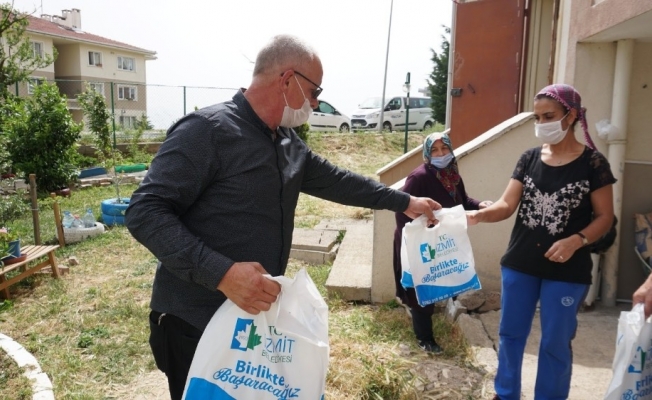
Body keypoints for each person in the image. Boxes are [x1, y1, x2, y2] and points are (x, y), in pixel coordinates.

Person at [125, 34, 441, 400]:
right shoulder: (207, 130)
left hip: (250, 323)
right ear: (288, 79)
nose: (316, 102)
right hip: (193, 322)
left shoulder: (288, 144)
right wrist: (222, 274)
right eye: (314, 91)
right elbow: (145, 211)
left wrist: (404, 201)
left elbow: (339, 181)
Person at [466, 83, 615, 400]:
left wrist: (577, 240)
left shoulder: (594, 163)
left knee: (555, 342)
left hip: (568, 269)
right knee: (510, 334)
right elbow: (506, 205)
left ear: (570, 116)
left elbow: (605, 217)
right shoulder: (529, 158)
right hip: (520, 263)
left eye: (549, 116)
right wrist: (478, 215)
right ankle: (505, 394)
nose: (541, 123)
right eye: (537, 117)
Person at [393, 131, 492, 353]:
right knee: (422, 287)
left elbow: (462, 201)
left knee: (439, 279)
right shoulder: (419, 177)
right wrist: (423, 229)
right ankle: (425, 339)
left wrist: (479, 205)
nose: (440, 154)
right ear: (427, 153)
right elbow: (401, 211)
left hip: (442, 241)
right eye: (435, 150)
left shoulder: (452, 175)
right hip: (420, 243)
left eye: (444, 148)